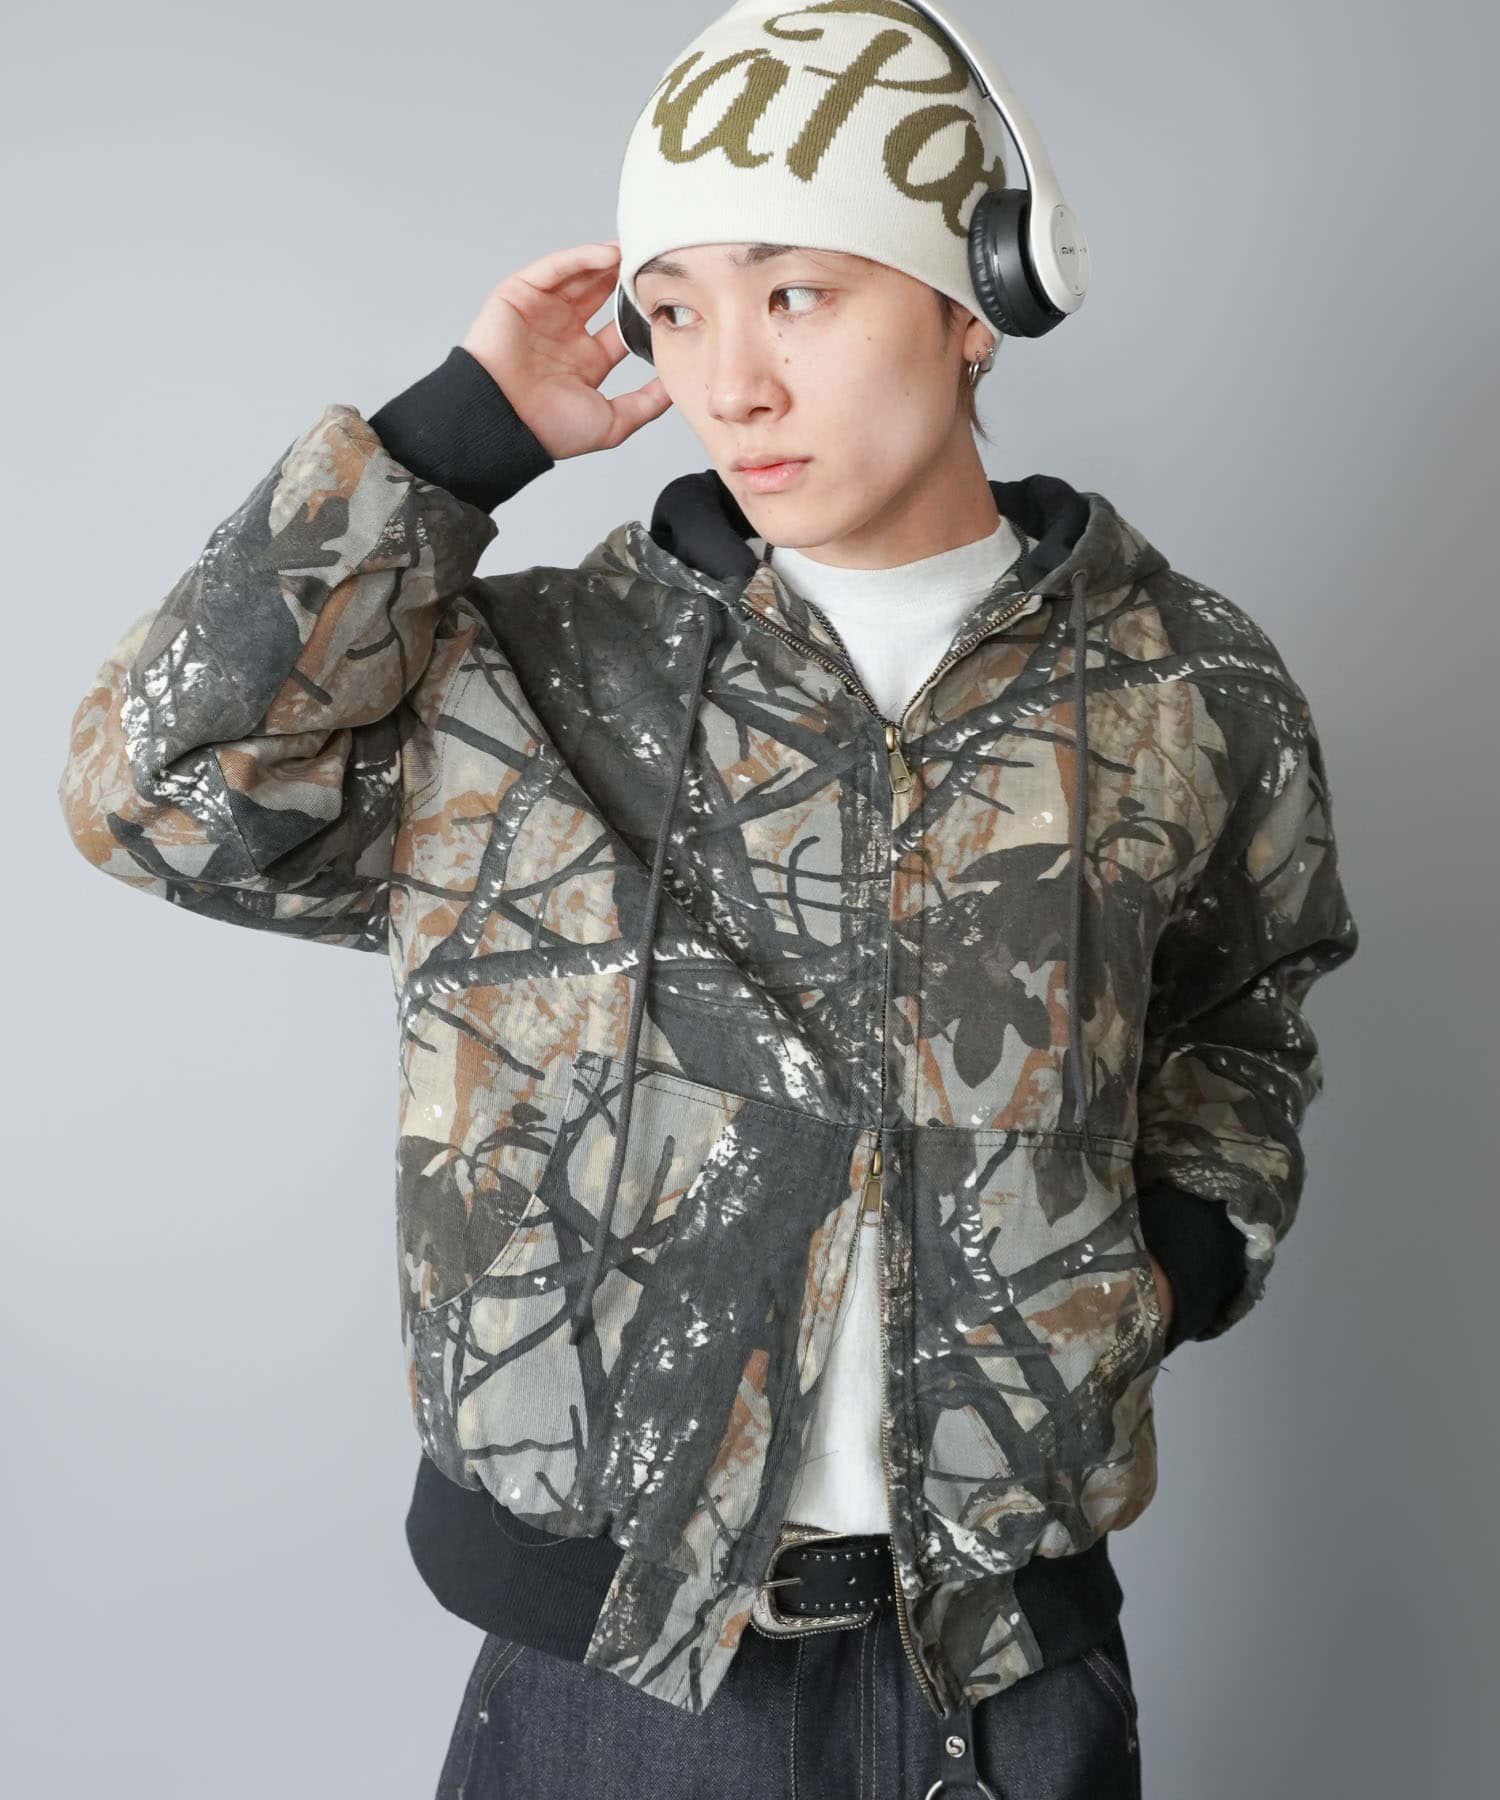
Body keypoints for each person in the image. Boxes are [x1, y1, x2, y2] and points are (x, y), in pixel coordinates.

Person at [56, 3, 1360, 1795]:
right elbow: (157, 795)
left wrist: (1167, 1263)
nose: (729, 381)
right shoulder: (520, 688)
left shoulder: (1182, 680)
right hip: (611, 1686)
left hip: (1010, 1668)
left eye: (798, 294)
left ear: (979, 301)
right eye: (673, 311)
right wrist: (451, 445)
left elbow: (1245, 1005)